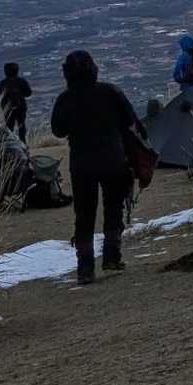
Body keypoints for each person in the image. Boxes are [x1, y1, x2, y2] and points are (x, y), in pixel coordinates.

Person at [50, 49, 145, 284]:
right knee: (114, 208)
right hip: (114, 159)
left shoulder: (65, 99)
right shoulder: (110, 92)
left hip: (81, 164)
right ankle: (112, 257)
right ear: (93, 69)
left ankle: (85, 268)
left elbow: (58, 130)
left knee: (84, 214)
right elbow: (130, 120)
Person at [0, 62, 34, 143]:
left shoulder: (3, 83)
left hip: (8, 108)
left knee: (9, 127)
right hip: (20, 106)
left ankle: (10, 143)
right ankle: (23, 142)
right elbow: (28, 93)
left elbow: (1, 96)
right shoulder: (21, 81)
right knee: (21, 125)